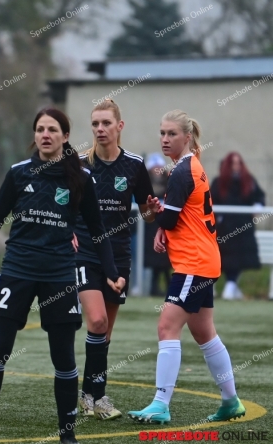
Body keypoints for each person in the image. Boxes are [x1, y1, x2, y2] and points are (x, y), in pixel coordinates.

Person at [0, 108, 125, 444]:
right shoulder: (18, 173)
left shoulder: (81, 178)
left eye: (52, 129)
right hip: (17, 272)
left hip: (59, 275)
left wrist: (111, 272)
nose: (45, 135)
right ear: (34, 135)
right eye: (40, 129)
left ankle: (68, 436)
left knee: (64, 358)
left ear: (65, 136)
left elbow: (97, 230)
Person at [128, 110, 245, 424]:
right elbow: (175, 217)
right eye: (162, 133)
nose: (165, 139)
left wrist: (157, 216)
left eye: (172, 134)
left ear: (187, 137)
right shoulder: (190, 165)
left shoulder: (182, 170)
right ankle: (231, 401)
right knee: (205, 333)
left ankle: (160, 404)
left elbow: (168, 219)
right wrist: (163, 219)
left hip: (194, 263)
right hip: (203, 260)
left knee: (166, 327)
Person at [74, 99, 158, 421]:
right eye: (95, 123)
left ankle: (88, 396)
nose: (100, 129)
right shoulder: (80, 165)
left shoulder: (134, 165)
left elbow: (147, 214)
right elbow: (65, 205)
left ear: (119, 126)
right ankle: (99, 397)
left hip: (119, 256)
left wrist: (152, 211)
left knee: (105, 332)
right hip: (85, 253)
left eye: (106, 123)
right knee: (96, 322)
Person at [211, 152, 265, 300]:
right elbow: (211, 201)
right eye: (233, 163)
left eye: (238, 163)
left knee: (240, 257)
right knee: (224, 257)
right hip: (225, 229)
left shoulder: (249, 181)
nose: (236, 166)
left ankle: (231, 285)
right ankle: (225, 286)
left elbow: (259, 196)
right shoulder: (219, 182)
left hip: (244, 229)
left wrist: (258, 205)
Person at [143, 153, 172, 297]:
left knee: (166, 259)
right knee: (154, 259)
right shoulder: (144, 185)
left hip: (166, 225)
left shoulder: (170, 183)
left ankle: (168, 288)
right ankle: (153, 288)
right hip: (150, 228)